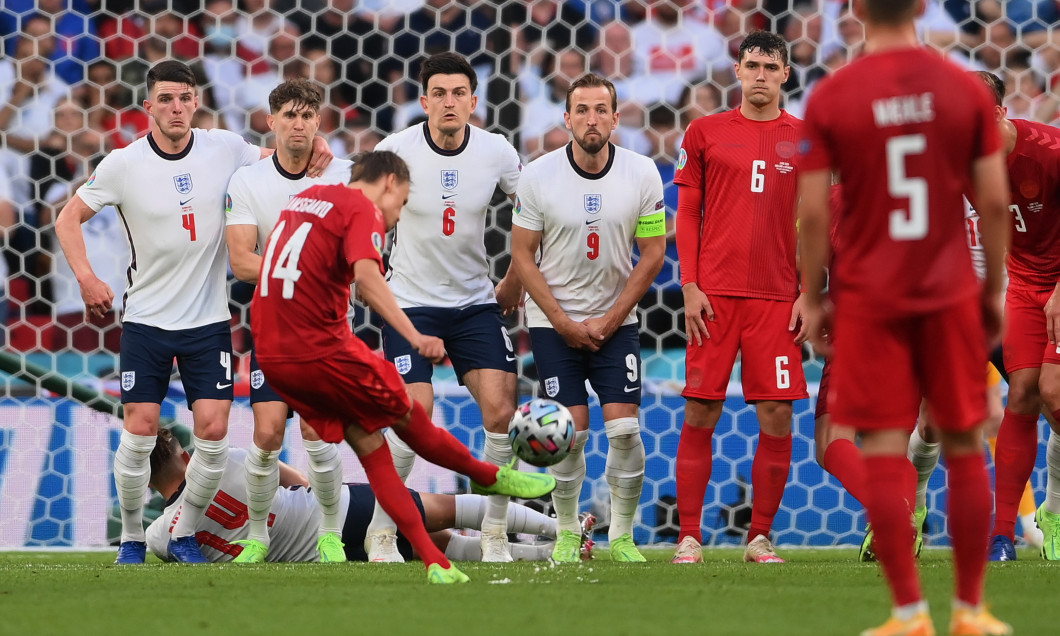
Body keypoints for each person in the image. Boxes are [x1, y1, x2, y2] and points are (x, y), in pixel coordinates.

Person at [53, 60, 332, 565]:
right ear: (148, 107)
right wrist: (88, 278)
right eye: (165, 99)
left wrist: (318, 145)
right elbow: (67, 218)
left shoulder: (223, 147)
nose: (176, 108)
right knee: (139, 427)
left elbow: (281, 157)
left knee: (213, 430)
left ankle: (182, 531)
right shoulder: (123, 163)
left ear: (195, 102)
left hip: (207, 321)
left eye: (184, 98)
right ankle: (133, 537)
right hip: (146, 318)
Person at [798, 1, 1012, 633]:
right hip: (947, 291)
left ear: (856, 11)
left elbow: (813, 214)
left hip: (871, 298)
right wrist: (994, 290)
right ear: (921, 7)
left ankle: (910, 612)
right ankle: (973, 609)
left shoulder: (835, 95)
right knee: (966, 444)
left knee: (887, 448)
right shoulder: (960, 89)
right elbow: (994, 203)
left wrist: (813, 295)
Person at [247, 150, 555, 583]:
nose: (396, 217)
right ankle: (491, 477)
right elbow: (370, 278)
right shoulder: (361, 208)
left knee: (373, 449)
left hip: (274, 357)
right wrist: (414, 335)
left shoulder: (305, 199)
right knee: (415, 423)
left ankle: (432, 559)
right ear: (390, 183)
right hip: (321, 352)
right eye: (403, 202)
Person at [365, 52, 524, 563]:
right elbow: (359, 211)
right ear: (425, 99)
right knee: (415, 415)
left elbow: (534, 218)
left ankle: (496, 534)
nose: (449, 102)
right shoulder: (395, 150)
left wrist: (514, 283)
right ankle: (383, 531)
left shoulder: (497, 152)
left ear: (473, 101)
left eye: (459, 94)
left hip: (475, 302)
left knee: (502, 412)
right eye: (439, 93)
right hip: (410, 303)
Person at [511, 72, 666, 563]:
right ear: (567, 117)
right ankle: (566, 533)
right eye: (583, 110)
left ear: (616, 118)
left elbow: (653, 254)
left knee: (624, 432)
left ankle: (621, 536)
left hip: (616, 324)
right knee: (569, 438)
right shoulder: (537, 175)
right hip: (554, 326)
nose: (592, 119)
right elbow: (522, 255)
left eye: (602, 110)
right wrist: (561, 321)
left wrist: (613, 316)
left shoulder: (643, 173)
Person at [671, 31, 808, 566]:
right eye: (751, 64)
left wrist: (808, 292)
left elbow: (819, 220)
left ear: (785, 75)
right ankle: (688, 537)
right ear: (737, 70)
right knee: (701, 410)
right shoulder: (705, 131)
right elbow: (687, 212)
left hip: (778, 299)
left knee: (776, 415)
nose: (759, 74)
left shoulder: (805, 138)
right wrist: (689, 284)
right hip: (715, 298)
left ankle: (760, 538)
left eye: (770, 67)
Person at [224, 79, 354, 564]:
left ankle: (330, 535)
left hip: (327, 327)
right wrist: (306, 267)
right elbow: (240, 260)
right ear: (271, 121)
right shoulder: (248, 182)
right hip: (275, 326)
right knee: (267, 435)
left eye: (306, 117)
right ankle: (257, 535)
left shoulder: (342, 176)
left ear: (318, 123)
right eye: (289, 116)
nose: (297, 124)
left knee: (320, 433)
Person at [144, 428, 576, 563]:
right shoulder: (224, 460)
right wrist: (312, 491)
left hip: (310, 557)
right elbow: (286, 476)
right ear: (185, 456)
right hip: (333, 513)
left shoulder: (160, 536)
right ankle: (561, 529)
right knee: (438, 512)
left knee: (437, 547)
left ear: (145, 485)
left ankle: (545, 556)